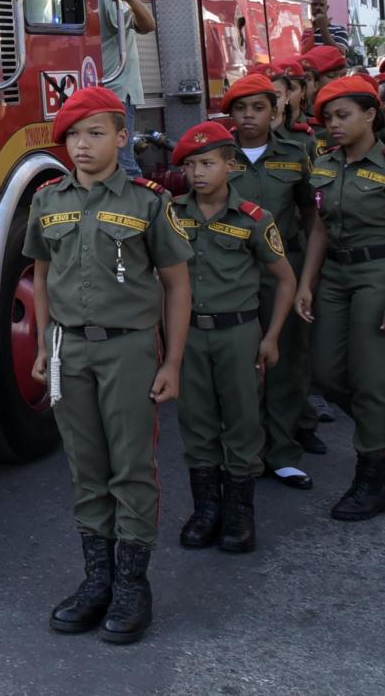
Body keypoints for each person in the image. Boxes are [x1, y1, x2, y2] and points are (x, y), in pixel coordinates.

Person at [27, 85, 192, 644]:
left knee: (131, 468)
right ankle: (97, 581)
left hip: (128, 349)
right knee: (85, 467)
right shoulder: (48, 199)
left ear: (123, 138)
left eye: (95, 133)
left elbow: (176, 284)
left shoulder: (147, 201)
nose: (82, 145)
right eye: (73, 135)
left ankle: (131, 586)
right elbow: (42, 277)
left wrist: (172, 359)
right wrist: (45, 346)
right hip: (70, 350)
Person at [296, 75, 385, 520]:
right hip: (334, 274)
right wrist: (305, 283)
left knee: (371, 380)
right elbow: (318, 228)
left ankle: (372, 479)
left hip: (378, 273)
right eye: (327, 118)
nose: (333, 125)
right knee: (325, 373)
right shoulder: (323, 164)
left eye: (343, 116)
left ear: (370, 115)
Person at [167, 122, 295, 552]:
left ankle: (240, 513)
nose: (198, 173)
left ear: (231, 166)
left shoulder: (254, 220)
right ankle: (207, 509)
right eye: (190, 165)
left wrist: (272, 335)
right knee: (197, 422)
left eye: (208, 163)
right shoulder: (171, 215)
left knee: (242, 421)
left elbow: (284, 280)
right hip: (189, 335)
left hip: (237, 332)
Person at [219, 73, 323, 488]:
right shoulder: (218, 154)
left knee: (284, 360)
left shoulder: (298, 153)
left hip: (284, 268)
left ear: (275, 110)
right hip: (232, 272)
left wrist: (306, 280)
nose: (249, 116)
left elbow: (313, 219)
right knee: (238, 366)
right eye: (241, 108)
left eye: (258, 107)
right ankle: (243, 450)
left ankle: (282, 451)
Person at [96, 0, 156, 178]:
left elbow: (148, 25)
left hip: (117, 92)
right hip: (91, 93)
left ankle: (139, 206)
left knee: (122, 165)